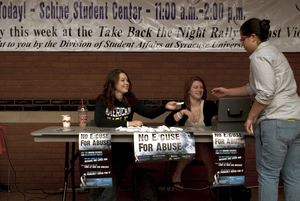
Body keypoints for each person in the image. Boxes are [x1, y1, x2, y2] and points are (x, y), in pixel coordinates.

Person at [212, 18, 300, 201]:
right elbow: (254, 88)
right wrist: (228, 92)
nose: (241, 44)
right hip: (295, 121)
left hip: (275, 122)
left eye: (242, 39)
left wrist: (251, 117)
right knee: (293, 175)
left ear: (252, 37)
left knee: (269, 175)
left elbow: (266, 93)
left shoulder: (260, 56)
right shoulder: (274, 52)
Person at [89, 69, 181, 201]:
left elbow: (150, 113)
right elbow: (99, 121)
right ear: (113, 83)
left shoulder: (131, 100)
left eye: (127, 80)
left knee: (113, 177)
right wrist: (127, 124)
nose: (126, 83)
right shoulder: (102, 100)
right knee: (101, 178)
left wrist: (165, 107)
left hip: (121, 148)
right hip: (104, 145)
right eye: (122, 80)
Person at [165, 76, 218, 191]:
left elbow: (222, 119)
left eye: (201, 87)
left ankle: (210, 177)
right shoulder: (182, 106)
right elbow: (168, 122)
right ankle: (178, 175)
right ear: (188, 90)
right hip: (186, 149)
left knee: (202, 145)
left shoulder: (210, 106)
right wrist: (182, 112)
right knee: (191, 144)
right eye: (196, 87)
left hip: (206, 148)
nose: (199, 90)